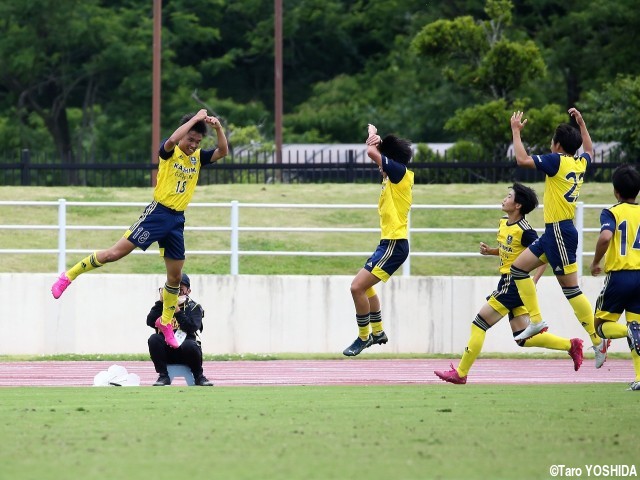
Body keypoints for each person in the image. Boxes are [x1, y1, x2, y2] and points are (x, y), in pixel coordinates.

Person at [51, 109, 228, 349]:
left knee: (175, 277)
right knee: (115, 254)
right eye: (191, 140)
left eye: (197, 142)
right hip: (157, 215)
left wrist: (217, 128)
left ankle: (166, 322)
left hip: (177, 221)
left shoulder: (197, 158)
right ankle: (68, 275)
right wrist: (195, 119)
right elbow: (174, 140)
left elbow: (222, 151)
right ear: (184, 134)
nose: (193, 145)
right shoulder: (171, 152)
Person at [435, 183, 584, 384]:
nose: (504, 199)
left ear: (518, 206)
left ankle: (461, 373)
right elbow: (510, 249)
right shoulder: (504, 223)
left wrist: (534, 279)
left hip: (513, 283)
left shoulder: (526, 231)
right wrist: (491, 251)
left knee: (479, 323)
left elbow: (547, 253)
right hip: (510, 283)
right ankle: (571, 345)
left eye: (509, 196)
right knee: (523, 338)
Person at [508, 108, 608, 368]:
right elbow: (590, 150)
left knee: (571, 290)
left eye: (553, 142)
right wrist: (582, 123)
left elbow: (522, 160)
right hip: (553, 232)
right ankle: (537, 320)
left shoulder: (558, 161)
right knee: (518, 269)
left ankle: (597, 341)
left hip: (561, 232)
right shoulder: (579, 162)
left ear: (558, 145)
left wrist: (516, 132)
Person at [343, 124, 414, 356]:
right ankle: (379, 331)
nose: (378, 166)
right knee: (365, 287)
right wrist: (378, 141)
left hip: (395, 244)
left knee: (356, 287)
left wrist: (372, 138)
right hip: (388, 243)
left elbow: (374, 154)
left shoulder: (400, 173)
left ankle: (364, 337)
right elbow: (377, 157)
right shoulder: (392, 178)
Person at [590, 164, 640, 391]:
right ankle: (639, 378)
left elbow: (605, 238)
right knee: (636, 324)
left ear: (615, 191)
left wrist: (595, 261)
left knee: (600, 326)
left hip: (620, 276)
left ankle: (628, 331)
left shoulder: (612, 211)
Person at [147, 273, 212, 386]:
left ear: (188, 291)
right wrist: (161, 303)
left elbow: (192, 327)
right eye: (173, 290)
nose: (176, 293)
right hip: (167, 352)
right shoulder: (162, 306)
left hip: (186, 351)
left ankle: (199, 376)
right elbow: (150, 321)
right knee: (154, 339)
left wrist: (177, 311)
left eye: (180, 290)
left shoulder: (194, 307)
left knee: (190, 345)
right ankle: (163, 376)